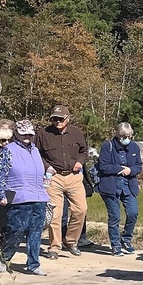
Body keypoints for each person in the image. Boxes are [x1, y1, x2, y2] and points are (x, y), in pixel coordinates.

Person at [0, 120, 50, 275]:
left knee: (36, 231)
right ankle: (4, 257)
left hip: (39, 196)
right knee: (16, 230)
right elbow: (1, 174)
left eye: (30, 134)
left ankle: (33, 264)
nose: (27, 136)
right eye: (24, 134)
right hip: (19, 196)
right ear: (17, 134)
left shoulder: (35, 150)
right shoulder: (8, 150)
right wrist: (1, 194)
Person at [38, 105, 88, 259]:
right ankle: (54, 247)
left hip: (74, 177)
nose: (57, 121)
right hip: (54, 178)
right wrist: (46, 166)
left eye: (60, 119)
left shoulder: (77, 133)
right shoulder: (43, 134)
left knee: (81, 210)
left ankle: (71, 241)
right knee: (55, 214)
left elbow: (84, 151)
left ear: (67, 118)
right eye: (54, 119)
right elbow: (36, 154)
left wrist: (80, 161)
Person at [96, 123, 143, 256]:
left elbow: (139, 166)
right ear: (117, 135)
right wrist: (120, 169)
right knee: (115, 216)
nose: (126, 138)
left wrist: (131, 170)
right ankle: (115, 244)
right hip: (110, 186)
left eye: (129, 136)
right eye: (123, 136)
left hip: (128, 186)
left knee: (133, 213)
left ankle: (126, 239)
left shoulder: (134, 147)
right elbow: (103, 166)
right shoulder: (108, 146)